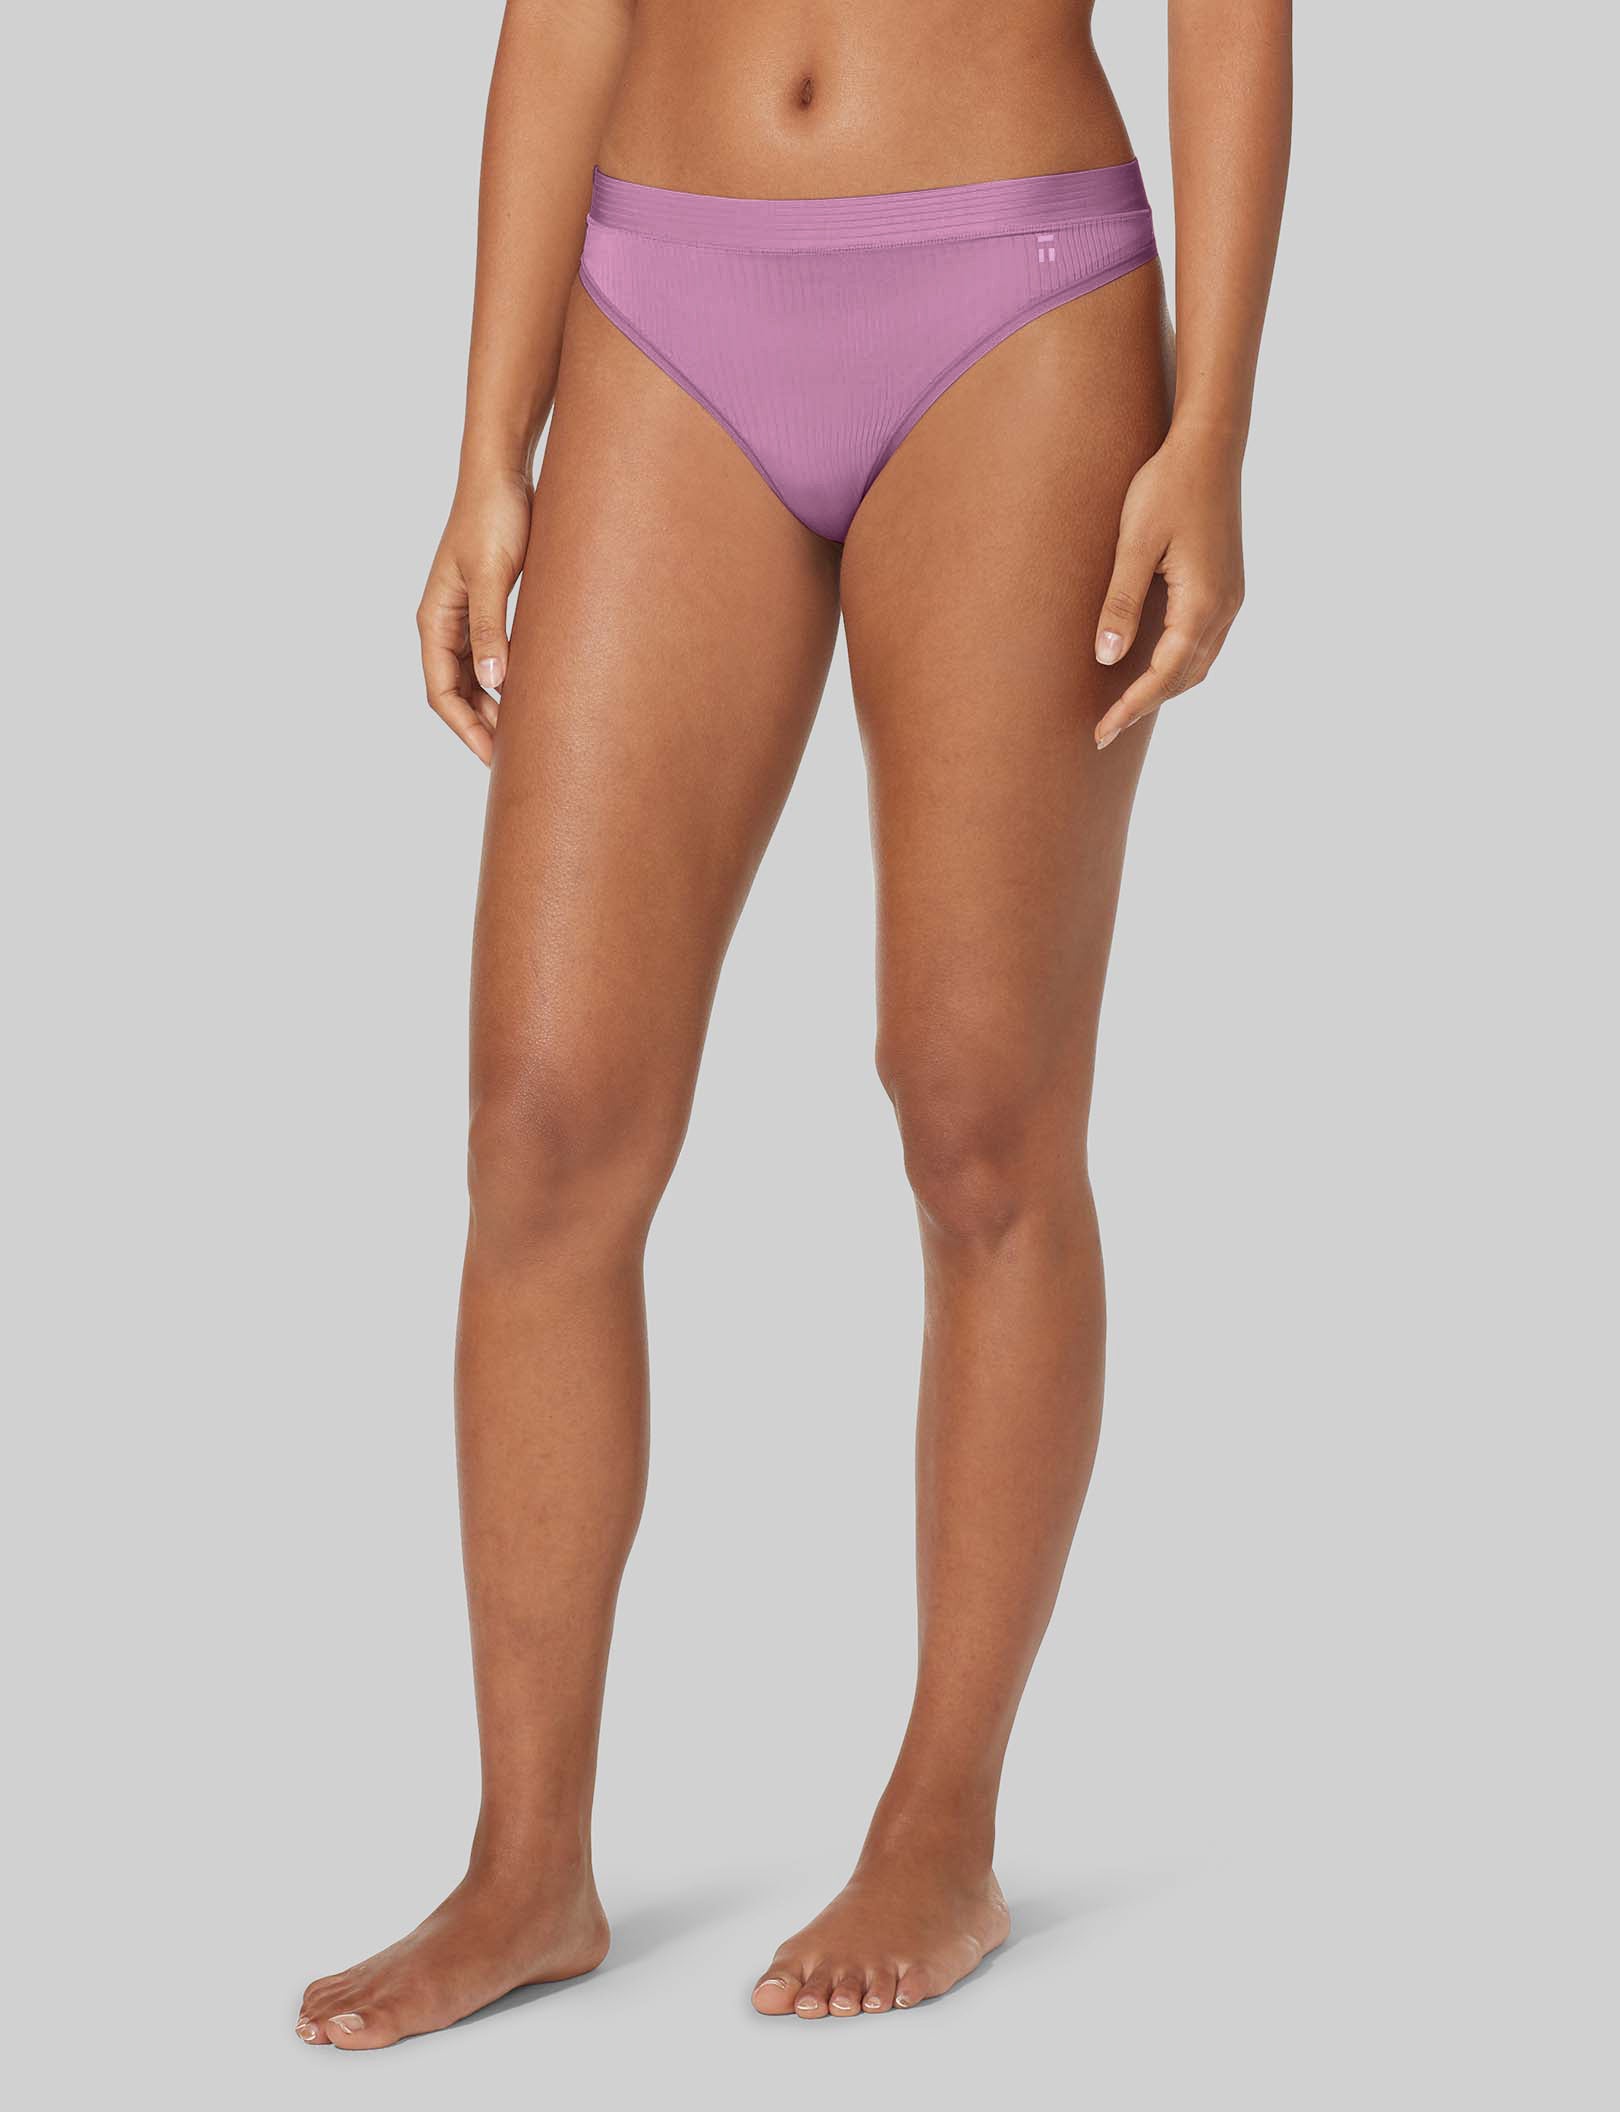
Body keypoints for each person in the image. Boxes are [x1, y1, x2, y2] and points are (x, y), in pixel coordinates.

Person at [296, 0, 1290, 2047]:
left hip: (1015, 286)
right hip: (659, 292)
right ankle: (527, 1862)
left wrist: (1214, 428)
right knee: (546, 1120)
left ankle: (942, 1825)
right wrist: (487, 444)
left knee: (980, 1114)